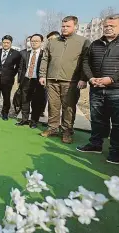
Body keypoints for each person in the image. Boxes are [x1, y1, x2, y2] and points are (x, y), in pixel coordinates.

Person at [78, 14, 119, 164]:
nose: (108, 28)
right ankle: (95, 145)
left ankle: (115, 152)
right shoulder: (96, 43)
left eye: (112, 26)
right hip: (97, 88)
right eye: (106, 26)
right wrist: (91, 78)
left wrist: (111, 79)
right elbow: (86, 62)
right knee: (97, 119)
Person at [39, 16, 90, 144]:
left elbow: (86, 61)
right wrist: (42, 75)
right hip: (51, 80)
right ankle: (53, 128)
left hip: (71, 81)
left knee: (68, 107)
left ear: (75, 27)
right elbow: (45, 59)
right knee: (53, 106)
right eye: (63, 26)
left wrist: (83, 78)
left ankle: (67, 131)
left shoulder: (83, 42)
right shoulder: (52, 42)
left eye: (68, 26)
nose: (64, 28)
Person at [15, 34, 45, 128]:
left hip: (38, 81)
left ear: (41, 42)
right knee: (24, 101)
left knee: (36, 102)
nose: (34, 43)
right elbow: (20, 68)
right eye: (32, 41)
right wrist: (19, 80)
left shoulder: (44, 54)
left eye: (36, 41)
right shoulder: (25, 53)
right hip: (26, 80)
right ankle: (24, 119)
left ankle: (34, 121)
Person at [0, 35, 21, 120]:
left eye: (8, 43)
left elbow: (18, 67)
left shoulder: (16, 54)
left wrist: (12, 74)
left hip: (8, 79)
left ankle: (5, 114)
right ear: (2, 43)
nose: (6, 44)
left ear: (11, 43)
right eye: (4, 42)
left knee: (6, 97)